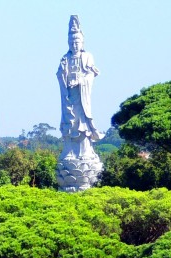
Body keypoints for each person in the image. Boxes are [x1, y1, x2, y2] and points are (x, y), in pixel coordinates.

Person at [57, 16, 102, 158]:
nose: (74, 45)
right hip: (69, 95)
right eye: (71, 42)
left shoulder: (87, 56)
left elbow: (91, 74)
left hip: (82, 94)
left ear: (82, 43)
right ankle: (69, 151)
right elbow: (59, 74)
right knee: (70, 122)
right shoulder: (65, 58)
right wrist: (63, 73)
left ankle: (85, 151)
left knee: (82, 123)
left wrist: (80, 81)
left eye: (77, 42)